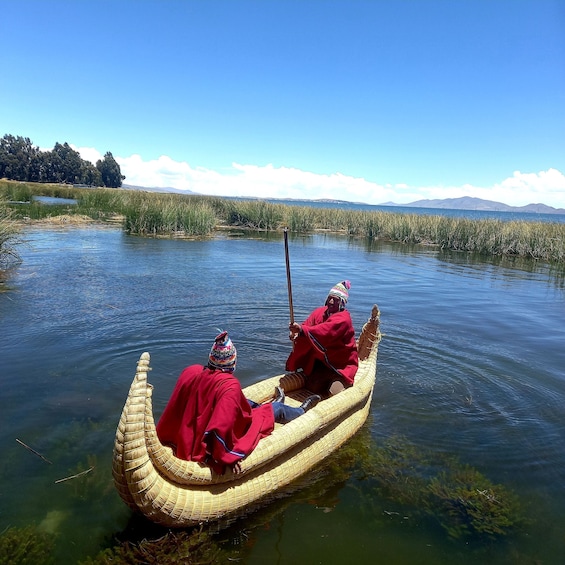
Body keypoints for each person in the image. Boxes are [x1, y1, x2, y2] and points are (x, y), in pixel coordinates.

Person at [156, 331, 320, 474]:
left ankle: (271, 403)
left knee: (243, 402)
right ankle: (301, 411)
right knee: (276, 409)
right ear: (231, 361)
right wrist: (227, 456)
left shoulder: (192, 371)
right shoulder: (229, 386)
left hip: (195, 427)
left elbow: (176, 407)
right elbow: (220, 429)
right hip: (205, 440)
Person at [286, 280, 358, 397]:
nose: (331, 301)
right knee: (312, 387)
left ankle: (341, 385)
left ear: (342, 303)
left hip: (340, 366)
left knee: (334, 393)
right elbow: (307, 325)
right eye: (330, 298)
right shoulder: (319, 312)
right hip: (322, 363)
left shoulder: (344, 319)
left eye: (335, 300)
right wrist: (296, 334)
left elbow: (325, 331)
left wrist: (301, 331)